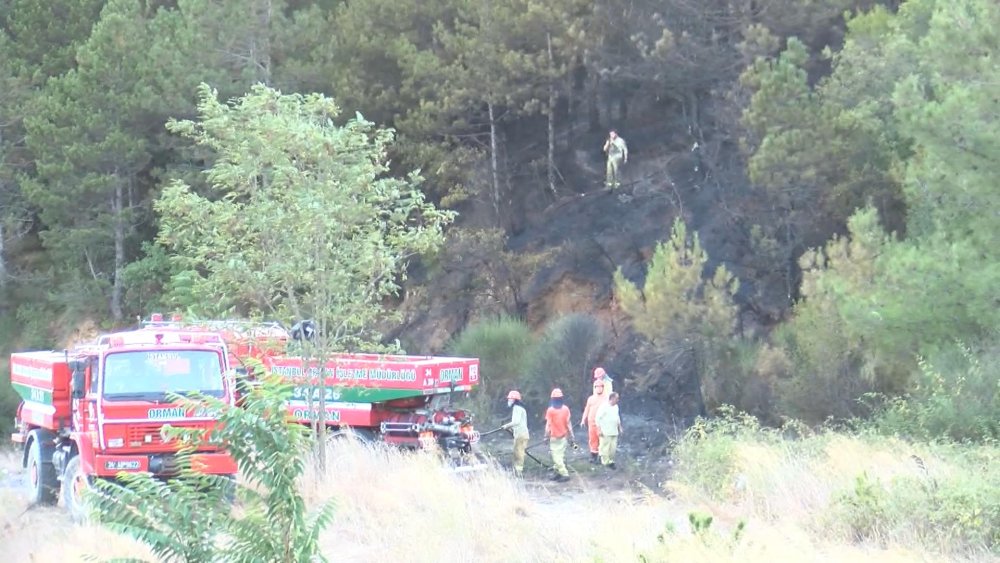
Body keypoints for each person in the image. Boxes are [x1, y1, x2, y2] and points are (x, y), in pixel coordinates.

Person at [544, 388, 575, 482]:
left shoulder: (550, 410)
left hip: (555, 438)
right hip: (564, 437)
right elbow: (568, 423)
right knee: (559, 456)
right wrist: (572, 436)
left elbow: (548, 425)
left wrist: (545, 436)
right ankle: (557, 473)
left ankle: (565, 474)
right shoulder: (565, 409)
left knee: (556, 457)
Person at [501, 390, 529, 477]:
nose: (508, 401)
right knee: (517, 452)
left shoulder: (517, 409)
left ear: (514, 400)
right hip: (520, 434)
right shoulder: (519, 409)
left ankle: (518, 472)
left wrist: (506, 426)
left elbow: (516, 422)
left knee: (519, 453)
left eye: (510, 399)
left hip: (521, 434)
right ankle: (516, 470)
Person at [579, 379, 608, 464]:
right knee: (592, 439)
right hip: (591, 423)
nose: (599, 388)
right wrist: (583, 420)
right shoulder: (591, 399)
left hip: (602, 424)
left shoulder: (606, 399)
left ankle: (602, 457)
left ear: (603, 387)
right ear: (594, 388)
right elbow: (587, 410)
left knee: (602, 439)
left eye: (600, 386)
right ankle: (593, 456)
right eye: (597, 387)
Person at [596, 392, 623, 469]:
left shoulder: (616, 407)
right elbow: (597, 418)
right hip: (605, 431)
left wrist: (620, 427)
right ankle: (606, 462)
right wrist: (599, 429)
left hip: (614, 431)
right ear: (612, 398)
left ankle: (610, 460)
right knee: (605, 447)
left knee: (613, 448)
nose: (618, 400)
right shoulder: (604, 407)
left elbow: (617, 417)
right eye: (616, 398)